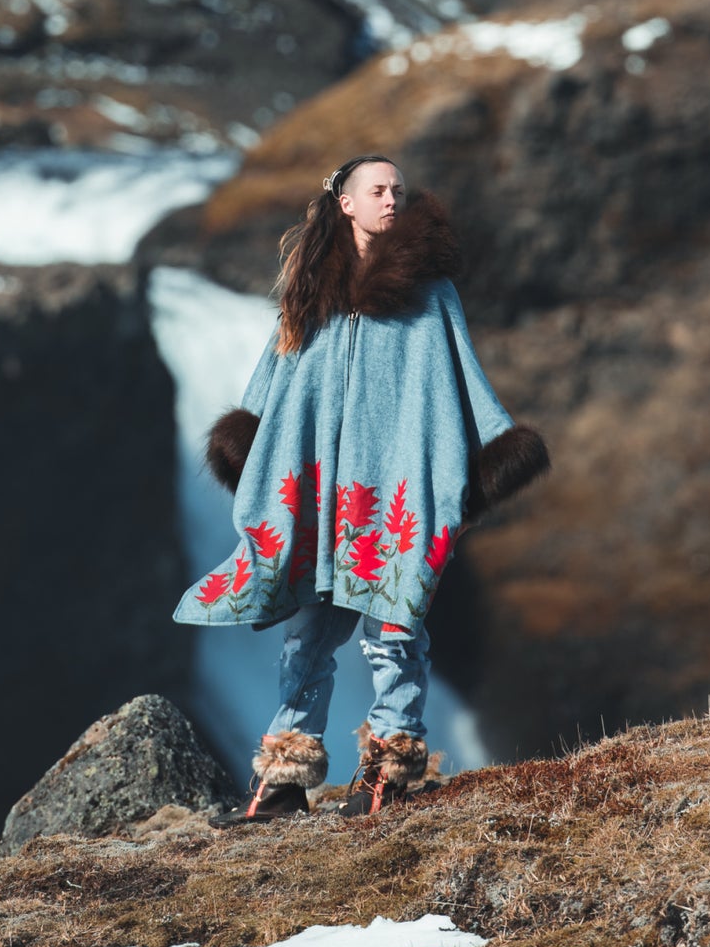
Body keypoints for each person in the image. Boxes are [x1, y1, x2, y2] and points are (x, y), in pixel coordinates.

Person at [173, 155, 549, 821]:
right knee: (308, 637)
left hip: (390, 496)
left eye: (398, 191)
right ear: (344, 203)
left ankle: (388, 773)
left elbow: (463, 385)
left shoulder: (429, 293)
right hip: (322, 501)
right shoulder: (308, 291)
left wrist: (481, 467)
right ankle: (283, 779)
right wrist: (255, 456)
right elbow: (272, 387)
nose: (390, 200)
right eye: (377, 190)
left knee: (393, 632)